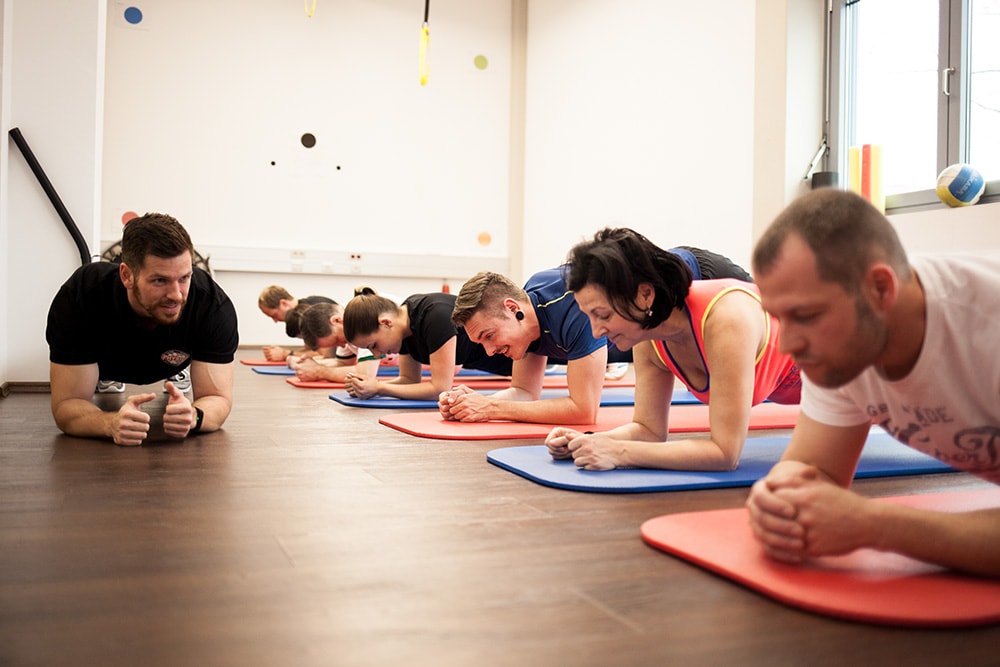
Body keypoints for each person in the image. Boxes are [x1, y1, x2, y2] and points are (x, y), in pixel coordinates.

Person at [746, 188, 1000, 578]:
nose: (788, 345)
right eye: (781, 318)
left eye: (807, 315)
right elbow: (815, 469)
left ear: (880, 289)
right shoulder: (840, 347)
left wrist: (874, 524)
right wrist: (781, 498)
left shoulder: (987, 325)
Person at [542, 227, 800, 469]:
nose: (596, 331)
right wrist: (588, 441)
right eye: (590, 317)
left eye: (603, 315)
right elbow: (648, 429)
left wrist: (618, 452)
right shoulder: (648, 340)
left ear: (645, 295)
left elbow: (725, 454)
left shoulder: (725, 320)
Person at [441, 245, 754, 425]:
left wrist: (491, 409)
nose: (491, 350)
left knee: (786, 344)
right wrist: (473, 403)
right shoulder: (528, 318)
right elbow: (523, 392)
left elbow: (583, 410)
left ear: (513, 309)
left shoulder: (570, 307)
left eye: (488, 335)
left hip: (703, 274)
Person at [46, 213, 238, 446]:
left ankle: (178, 371)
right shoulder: (82, 297)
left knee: (177, 357)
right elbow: (67, 406)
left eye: (184, 277)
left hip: (173, 353)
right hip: (107, 357)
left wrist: (194, 416)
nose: (176, 295)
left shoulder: (212, 306)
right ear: (127, 275)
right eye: (160, 281)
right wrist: (110, 422)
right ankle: (102, 376)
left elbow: (217, 399)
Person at [342, 291, 513, 401]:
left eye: (374, 345)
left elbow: (439, 389)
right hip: (501, 365)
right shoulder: (403, 329)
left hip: (519, 358)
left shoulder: (435, 316)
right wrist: (370, 385)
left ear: (386, 323)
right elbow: (409, 380)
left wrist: (379, 388)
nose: (377, 355)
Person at [291, 301, 379, 383]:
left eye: (337, 340)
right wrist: (307, 366)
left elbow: (365, 376)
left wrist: (318, 371)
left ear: (336, 320)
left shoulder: (362, 320)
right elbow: (342, 363)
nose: (343, 346)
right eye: (335, 344)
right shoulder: (346, 323)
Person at [257, 286, 334, 362]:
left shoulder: (310, 312)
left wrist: (285, 354)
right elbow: (311, 350)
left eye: (274, 315)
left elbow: (324, 356)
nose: (275, 321)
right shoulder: (301, 312)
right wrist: (284, 353)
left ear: (284, 303)